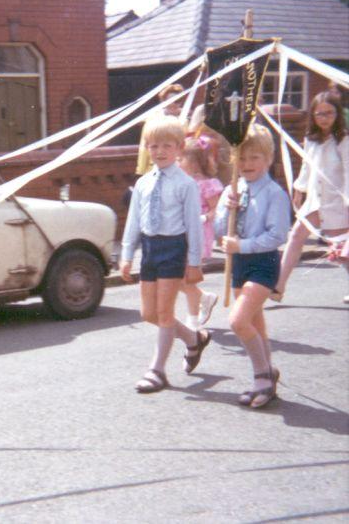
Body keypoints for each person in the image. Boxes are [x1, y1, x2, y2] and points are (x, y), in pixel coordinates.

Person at [120, 116, 211, 393]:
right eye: (154, 145)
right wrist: (126, 255)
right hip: (150, 249)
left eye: (167, 146)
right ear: (147, 148)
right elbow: (133, 221)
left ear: (179, 148)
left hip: (173, 248)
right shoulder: (144, 184)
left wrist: (194, 263)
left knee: (164, 312)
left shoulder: (185, 184)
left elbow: (194, 226)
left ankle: (157, 370)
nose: (160, 151)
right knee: (148, 313)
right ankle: (194, 339)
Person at [215, 124, 291, 409]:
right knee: (256, 325)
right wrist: (226, 207)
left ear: (268, 158)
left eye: (254, 158)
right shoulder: (232, 190)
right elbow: (221, 231)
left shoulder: (274, 193)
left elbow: (277, 235)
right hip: (240, 264)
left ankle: (261, 378)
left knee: (238, 321)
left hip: (264, 262)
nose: (247, 164)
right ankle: (268, 373)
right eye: (242, 158)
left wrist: (242, 246)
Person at [272, 91, 349, 301]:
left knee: (341, 250)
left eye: (329, 113)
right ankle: (279, 286)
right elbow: (307, 166)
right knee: (296, 235)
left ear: (337, 113)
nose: (324, 118)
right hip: (315, 201)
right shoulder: (310, 139)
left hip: (337, 202)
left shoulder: (344, 139)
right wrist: (299, 189)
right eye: (319, 114)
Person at [178, 136, 223, 329]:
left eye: (181, 159)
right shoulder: (180, 183)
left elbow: (216, 210)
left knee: (186, 277)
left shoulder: (207, 184)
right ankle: (204, 298)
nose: (178, 162)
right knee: (175, 277)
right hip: (181, 233)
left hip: (197, 235)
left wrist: (203, 218)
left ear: (195, 162)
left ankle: (193, 318)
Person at [135, 83, 186, 177]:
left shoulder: (185, 121)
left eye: (177, 100)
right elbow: (144, 146)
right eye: (169, 100)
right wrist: (141, 170)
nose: (173, 104)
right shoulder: (152, 120)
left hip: (179, 169)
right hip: (154, 168)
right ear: (163, 101)